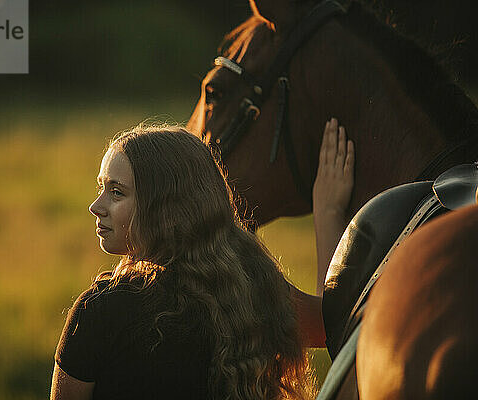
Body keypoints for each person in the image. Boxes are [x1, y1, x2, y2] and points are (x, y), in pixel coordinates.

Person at [50, 119, 354, 400]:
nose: (96, 206)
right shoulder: (252, 287)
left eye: (117, 193)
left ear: (165, 206)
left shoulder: (99, 311)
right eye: (101, 187)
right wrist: (328, 211)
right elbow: (333, 322)